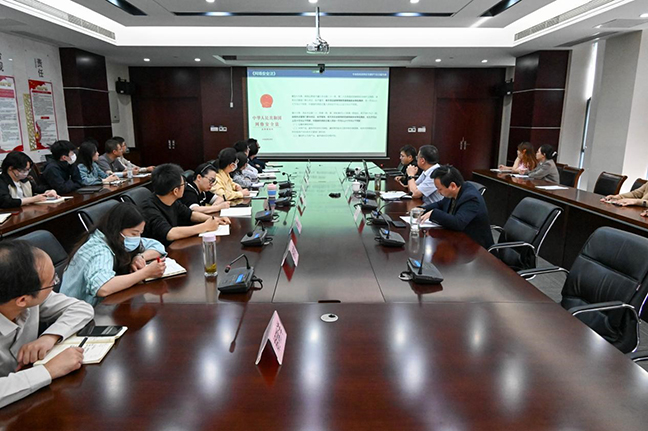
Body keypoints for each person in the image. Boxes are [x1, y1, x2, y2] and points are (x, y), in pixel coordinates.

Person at [0, 240, 94, 408]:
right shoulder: (24, 294)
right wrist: (49, 370)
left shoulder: (24, 297)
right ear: (22, 300)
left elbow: (82, 309)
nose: (54, 285)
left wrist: (49, 337)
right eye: (52, 281)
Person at [60, 203, 167, 306]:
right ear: (117, 229)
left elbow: (157, 246)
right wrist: (146, 272)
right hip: (78, 311)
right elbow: (102, 287)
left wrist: (139, 256)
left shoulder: (117, 240)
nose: (137, 238)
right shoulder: (99, 249)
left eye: (140, 233)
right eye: (134, 233)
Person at [142, 163, 230, 245]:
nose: (185, 186)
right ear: (175, 191)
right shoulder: (149, 208)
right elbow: (170, 233)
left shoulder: (172, 200)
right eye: (183, 184)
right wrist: (205, 226)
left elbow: (190, 214)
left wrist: (214, 219)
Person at [419, 165, 494, 249]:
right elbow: (441, 204)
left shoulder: (471, 198)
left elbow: (458, 223)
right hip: (457, 240)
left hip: (475, 248)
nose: (438, 192)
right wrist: (422, 209)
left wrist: (433, 213)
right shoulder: (454, 191)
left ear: (453, 186)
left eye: (440, 189)